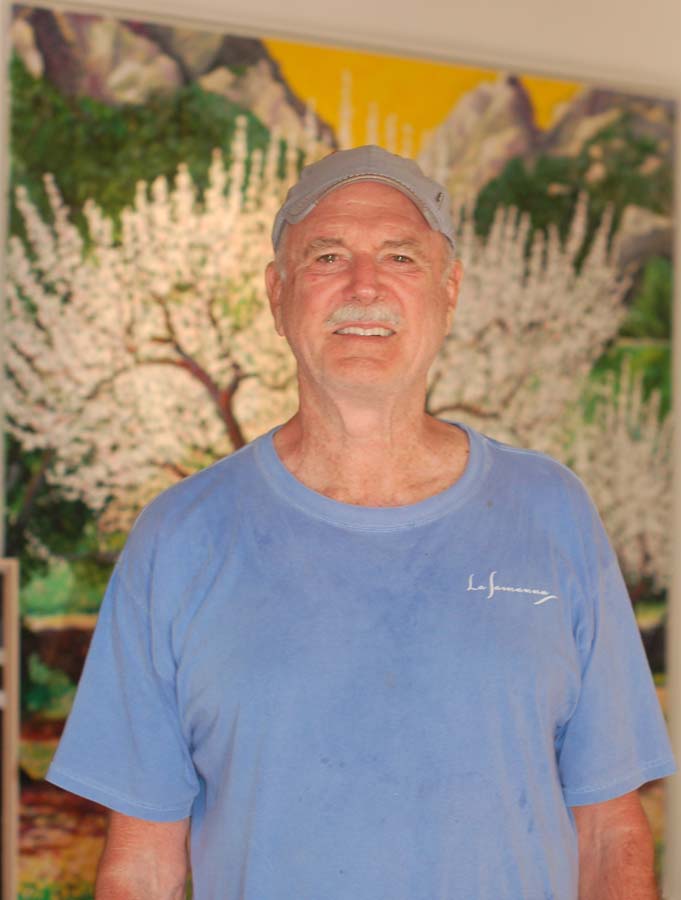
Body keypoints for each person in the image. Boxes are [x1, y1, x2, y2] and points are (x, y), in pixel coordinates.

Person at [47, 146, 675, 900]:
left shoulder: (551, 512)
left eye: (401, 256)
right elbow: (141, 866)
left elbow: (609, 836)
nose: (364, 285)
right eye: (327, 256)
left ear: (449, 291)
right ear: (278, 296)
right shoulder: (179, 537)